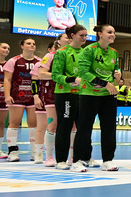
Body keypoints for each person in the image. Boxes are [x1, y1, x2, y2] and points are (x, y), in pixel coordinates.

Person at [73, 25, 122, 172]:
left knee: (109, 128)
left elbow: (116, 70)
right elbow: (83, 72)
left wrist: (117, 76)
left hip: (108, 96)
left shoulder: (114, 52)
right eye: (109, 32)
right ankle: (77, 161)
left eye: (113, 32)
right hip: (89, 94)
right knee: (84, 128)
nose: (112, 34)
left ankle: (108, 160)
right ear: (100, 34)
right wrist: (105, 84)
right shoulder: (89, 50)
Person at [50, 25, 87, 168]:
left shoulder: (86, 52)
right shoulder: (62, 52)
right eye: (81, 35)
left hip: (83, 95)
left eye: (85, 35)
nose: (84, 38)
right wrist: (71, 80)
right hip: (65, 94)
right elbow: (55, 75)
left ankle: (83, 157)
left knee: (83, 127)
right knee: (64, 126)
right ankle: (60, 160)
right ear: (72, 35)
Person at [2, 38, 40, 162]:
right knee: (14, 122)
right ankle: (12, 152)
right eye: (28, 43)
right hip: (17, 96)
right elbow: (7, 80)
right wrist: (7, 95)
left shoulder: (39, 61)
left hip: (33, 97)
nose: (32, 45)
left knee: (33, 124)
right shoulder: (13, 61)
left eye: (33, 44)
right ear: (22, 46)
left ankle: (35, 152)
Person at [32, 36, 63, 166]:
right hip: (46, 95)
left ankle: (71, 156)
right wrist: (36, 96)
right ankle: (40, 154)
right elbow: (35, 80)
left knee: (70, 125)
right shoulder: (43, 62)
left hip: (65, 94)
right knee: (44, 126)